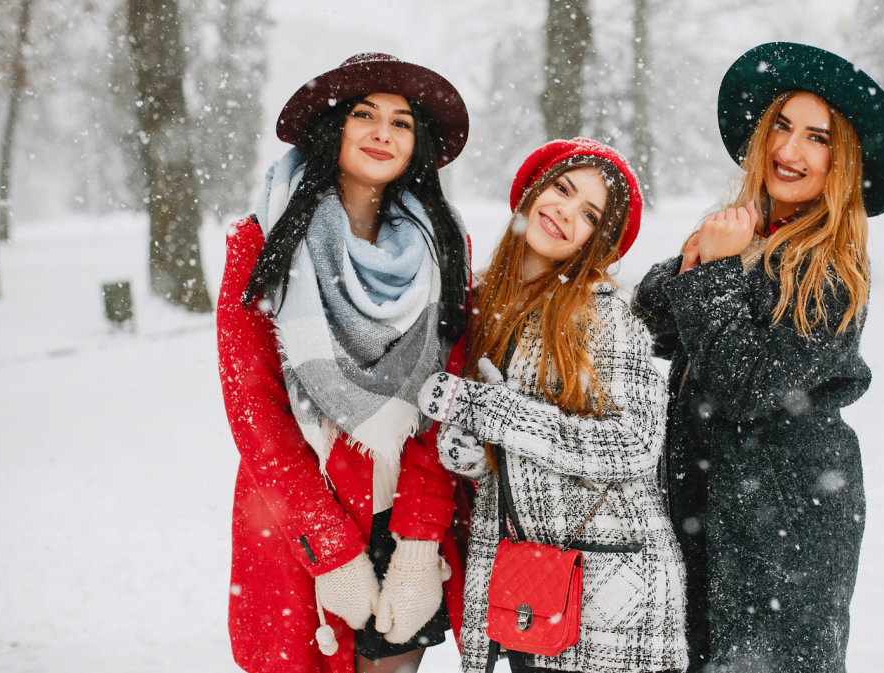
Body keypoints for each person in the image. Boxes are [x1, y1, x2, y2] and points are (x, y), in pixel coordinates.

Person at [632, 43, 884, 673]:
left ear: (842, 162)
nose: (789, 149)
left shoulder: (833, 266)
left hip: (785, 519)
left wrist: (716, 272)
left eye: (817, 138)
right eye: (782, 126)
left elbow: (746, 385)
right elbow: (651, 322)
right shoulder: (747, 232)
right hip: (704, 496)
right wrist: (695, 263)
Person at [217, 53, 475, 673]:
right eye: (365, 115)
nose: (383, 133)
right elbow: (254, 407)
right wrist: (328, 548)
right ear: (334, 127)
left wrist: (417, 541)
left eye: (401, 122)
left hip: (402, 507)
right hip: (299, 512)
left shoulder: (445, 245)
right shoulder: (261, 240)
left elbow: (449, 394)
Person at [417, 139, 689, 673]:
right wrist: (472, 452)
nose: (565, 211)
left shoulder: (604, 314)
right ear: (532, 192)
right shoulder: (485, 301)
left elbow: (633, 445)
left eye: (589, 214)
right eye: (561, 189)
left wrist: (488, 410)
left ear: (597, 241)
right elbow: (523, 445)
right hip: (531, 586)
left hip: (611, 596)